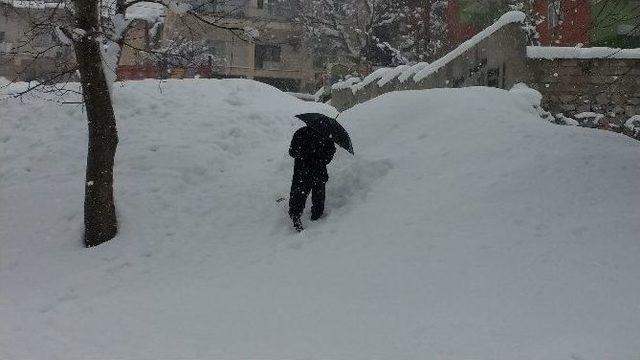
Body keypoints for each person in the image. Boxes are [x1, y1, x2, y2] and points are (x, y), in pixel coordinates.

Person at [288, 125, 336, 231]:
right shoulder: (326, 135)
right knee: (318, 194)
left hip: (302, 169)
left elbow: (292, 152)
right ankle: (317, 215)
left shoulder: (300, 133)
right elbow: (330, 154)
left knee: (299, 192)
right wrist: (320, 158)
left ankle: (295, 214)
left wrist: (303, 153)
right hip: (319, 170)